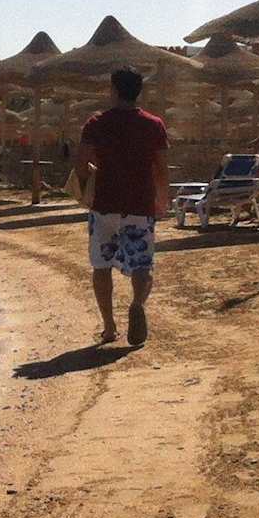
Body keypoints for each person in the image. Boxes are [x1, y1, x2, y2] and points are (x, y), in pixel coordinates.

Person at [76, 67, 170, 347]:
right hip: (140, 204)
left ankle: (109, 327)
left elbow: (81, 165)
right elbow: (161, 168)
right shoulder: (154, 124)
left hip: (104, 204)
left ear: (114, 90)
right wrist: (162, 199)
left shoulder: (96, 123)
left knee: (101, 265)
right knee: (142, 264)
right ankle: (137, 303)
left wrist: (87, 185)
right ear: (138, 91)